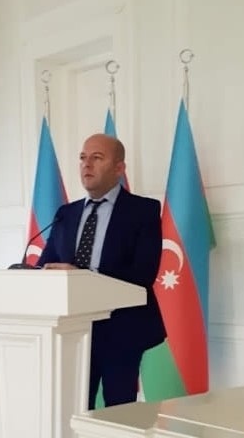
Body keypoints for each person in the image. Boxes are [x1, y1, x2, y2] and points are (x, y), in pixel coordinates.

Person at [36, 133, 166, 409]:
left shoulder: (143, 211)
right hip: (73, 329)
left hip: (122, 327)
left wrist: (82, 274)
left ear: (119, 168)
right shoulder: (66, 214)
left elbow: (143, 275)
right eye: (83, 158)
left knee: (120, 409)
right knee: (75, 405)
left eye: (97, 158)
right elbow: (46, 264)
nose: (87, 164)